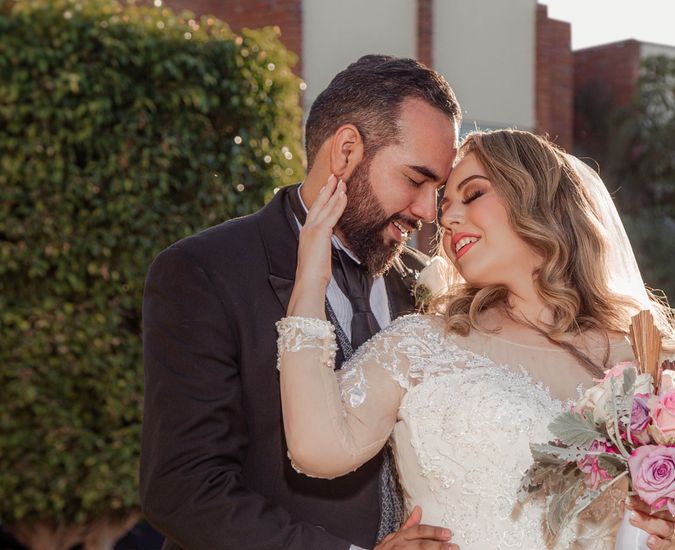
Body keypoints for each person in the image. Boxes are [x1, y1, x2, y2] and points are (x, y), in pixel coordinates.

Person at [278, 129, 675, 549]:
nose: (445, 219)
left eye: (473, 194)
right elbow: (316, 448)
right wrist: (311, 276)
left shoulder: (658, 365)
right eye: (446, 206)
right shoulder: (419, 346)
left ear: (538, 199)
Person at [140, 55, 462, 550]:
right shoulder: (204, 271)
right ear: (347, 150)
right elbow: (184, 487)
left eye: (438, 191)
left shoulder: (429, 285)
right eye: (416, 180)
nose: (427, 211)